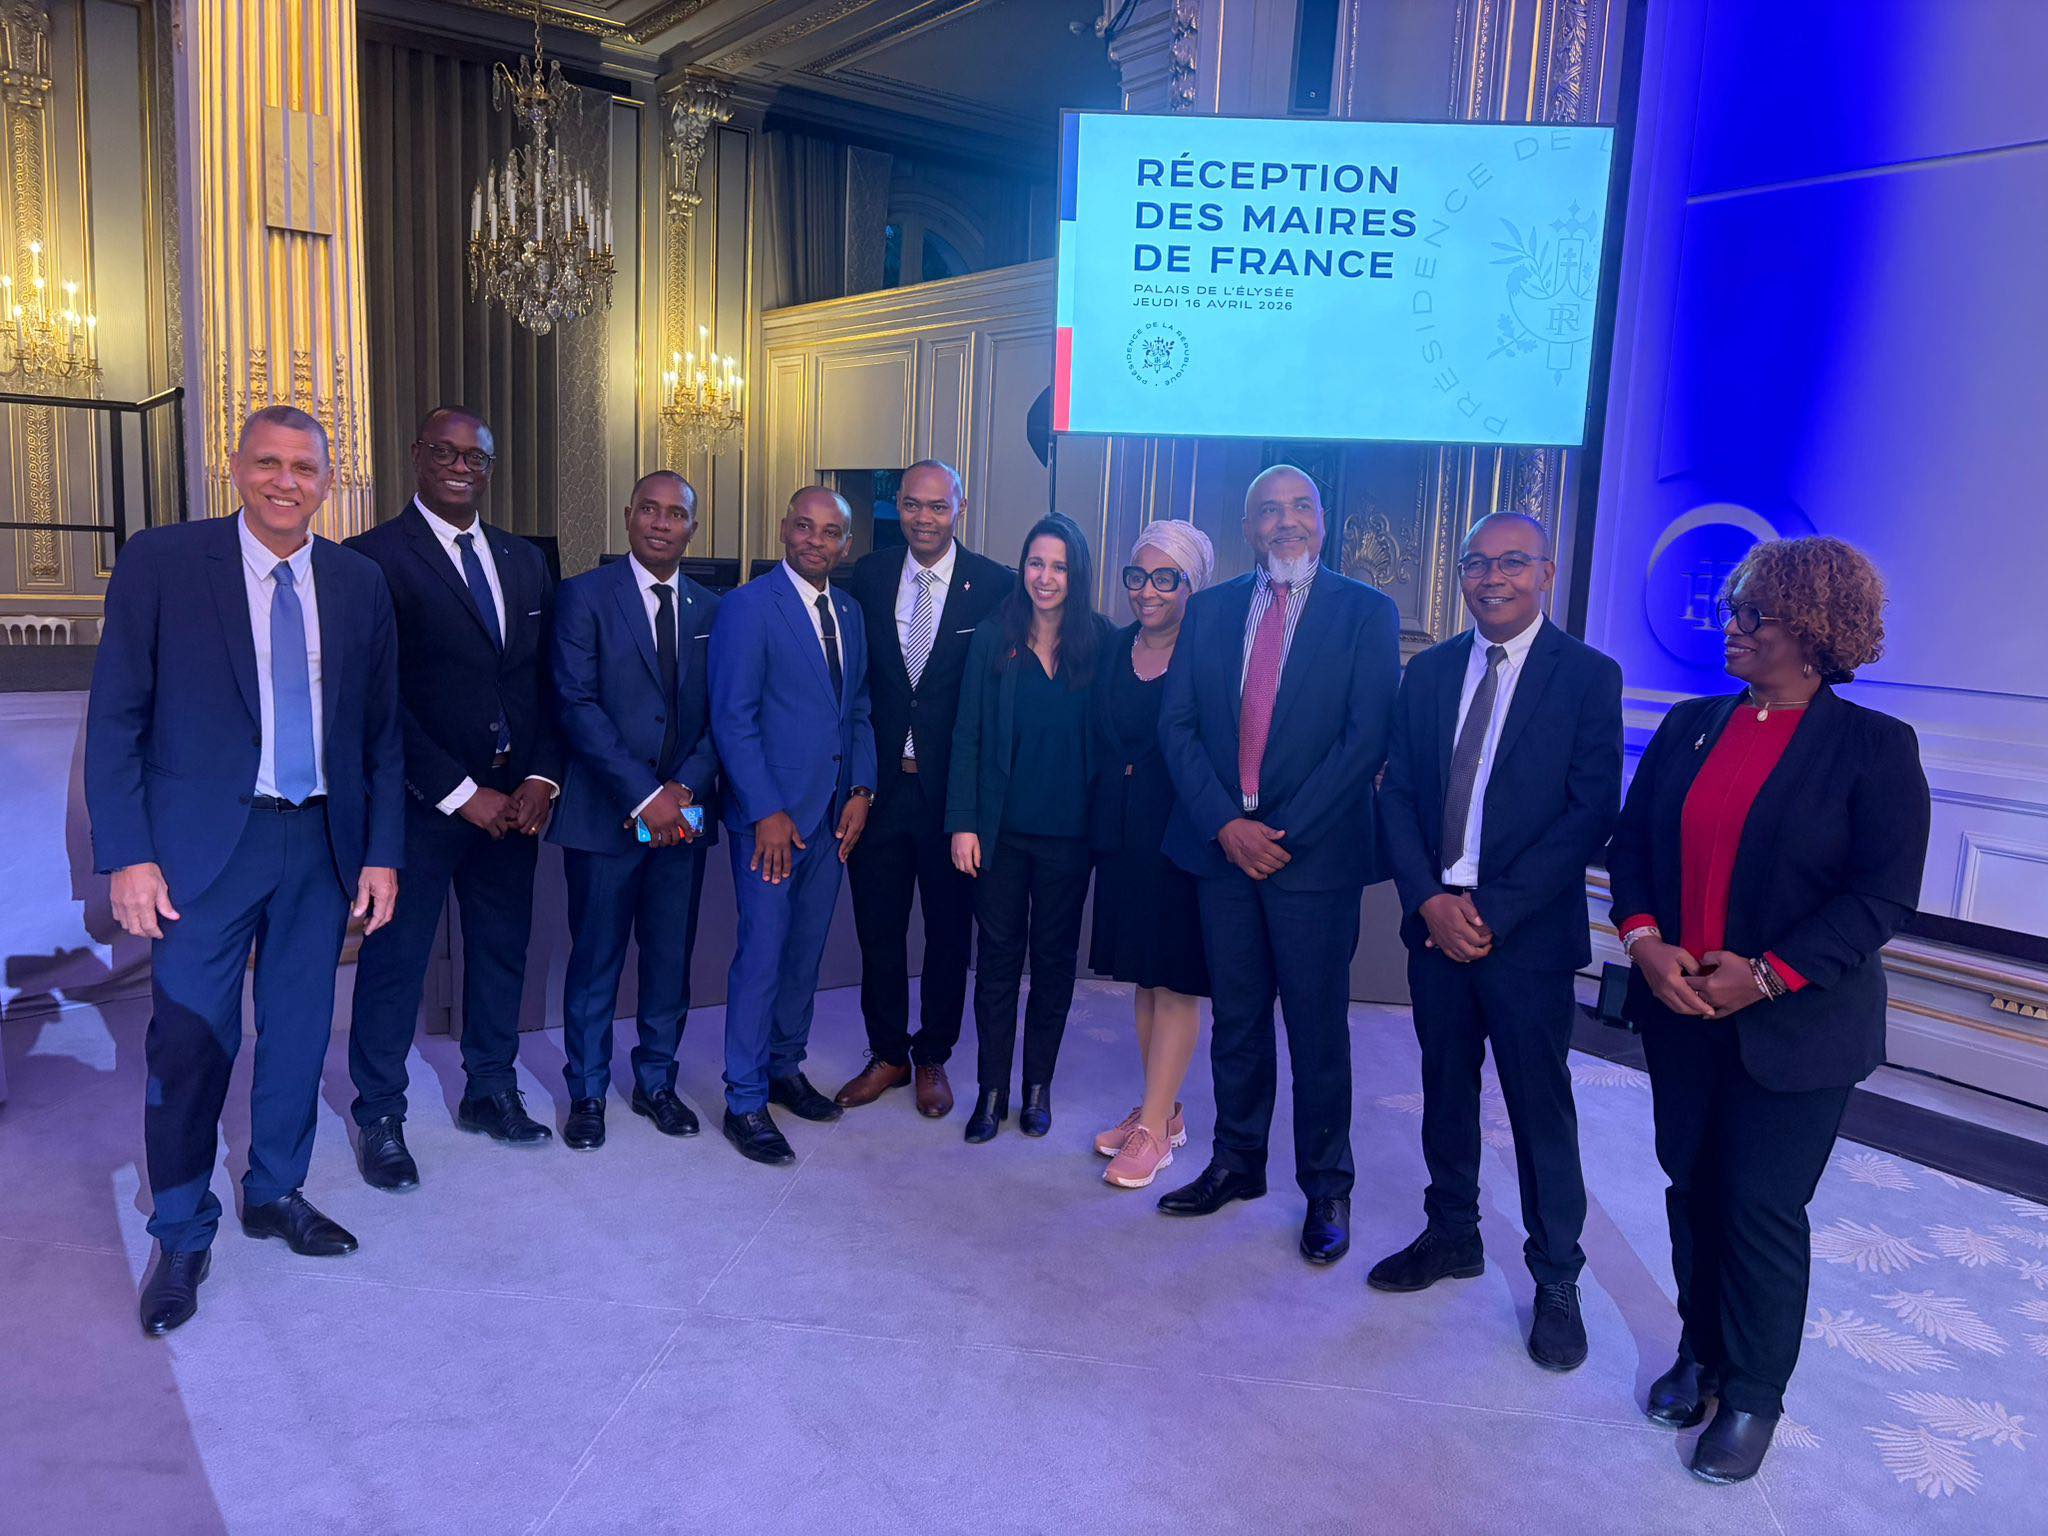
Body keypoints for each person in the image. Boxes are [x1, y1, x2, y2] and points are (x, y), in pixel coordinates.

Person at [1608, 536, 1928, 1484]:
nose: (1731, 627)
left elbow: (1880, 898)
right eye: (1732, 609)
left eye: (1752, 613)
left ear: (1813, 627)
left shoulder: (1874, 747)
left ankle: (1753, 1394)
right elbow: (1633, 848)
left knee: (1760, 1207)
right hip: (1679, 1010)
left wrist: (1768, 974)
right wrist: (1644, 942)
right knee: (1691, 1188)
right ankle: (1700, 1352)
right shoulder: (1690, 725)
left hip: (1796, 1028)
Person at [86, 406, 403, 1335]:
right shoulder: (163, 562)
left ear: (328, 481)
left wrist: (382, 852)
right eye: (268, 462)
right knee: (189, 1044)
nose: (285, 482)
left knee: (300, 1034)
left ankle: (274, 1191)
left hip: (321, 843)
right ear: (235, 467)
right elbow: (116, 717)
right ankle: (182, 1230)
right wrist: (128, 855)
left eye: (304, 467)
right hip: (199, 851)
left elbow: (381, 733)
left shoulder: (359, 582)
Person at [1372, 511, 1623, 1369]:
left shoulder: (1587, 676)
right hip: (1434, 926)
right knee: (1444, 1087)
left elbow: (1590, 810)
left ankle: (1556, 1277)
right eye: (1477, 563)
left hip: (1526, 934)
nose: (1492, 577)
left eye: (1513, 562)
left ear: (1546, 572)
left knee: (1537, 1108)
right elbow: (1397, 794)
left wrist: (1493, 912)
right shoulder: (1431, 670)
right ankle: (1452, 1235)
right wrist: (1428, 900)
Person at [1154, 464, 1400, 1265]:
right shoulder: (1211, 610)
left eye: (1299, 507)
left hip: (1314, 858)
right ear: (1248, 527)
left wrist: (1280, 833)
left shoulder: (1367, 613)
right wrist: (1227, 825)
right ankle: (1237, 1162)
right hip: (1223, 852)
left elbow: (1365, 739)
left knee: (1318, 1030)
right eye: (1268, 510)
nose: (1285, 521)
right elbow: (1177, 727)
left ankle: (1327, 1186)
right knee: (1237, 1019)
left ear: (1322, 520)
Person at [344, 407, 565, 1184]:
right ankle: (380, 1115)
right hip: (417, 803)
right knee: (396, 960)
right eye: (445, 451)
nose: (461, 465)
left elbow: (543, 680)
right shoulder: (370, 559)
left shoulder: (525, 559)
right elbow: (375, 700)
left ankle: (490, 1090)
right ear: (417, 455)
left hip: (514, 804)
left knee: (501, 950)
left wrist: (540, 776)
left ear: (490, 466)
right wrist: (458, 790)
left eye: (476, 455)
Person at [548, 471, 721, 1151]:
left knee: (669, 960)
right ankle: (588, 1091)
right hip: (606, 814)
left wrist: (683, 791)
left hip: (685, 818)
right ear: (628, 516)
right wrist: (648, 796)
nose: (661, 523)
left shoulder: (714, 609)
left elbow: (725, 713)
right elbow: (575, 704)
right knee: (596, 961)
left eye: (675, 514)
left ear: (692, 528)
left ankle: (657, 1083)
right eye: (649, 509)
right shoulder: (583, 596)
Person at [836, 460, 1012, 1119]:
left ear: (960, 508)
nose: (924, 518)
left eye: (938, 506)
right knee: (878, 931)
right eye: (912, 504)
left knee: (948, 935)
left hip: (951, 799)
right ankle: (888, 1054)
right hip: (880, 792)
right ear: (898, 507)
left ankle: (933, 1054)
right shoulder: (870, 574)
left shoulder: (994, 584)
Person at [708, 487, 876, 1165]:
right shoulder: (748, 607)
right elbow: (733, 717)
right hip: (771, 824)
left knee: (804, 954)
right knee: (762, 957)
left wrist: (861, 788)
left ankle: (784, 1067)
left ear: (846, 544)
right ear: (784, 529)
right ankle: (744, 1099)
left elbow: (857, 708)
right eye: (804, 527)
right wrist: (764, 811)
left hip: (831, 819)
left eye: (830, 532)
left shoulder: (851, 613)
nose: (815, 540)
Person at [947, 513, 1109, 1143]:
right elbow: (967, 733)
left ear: (1077, 574)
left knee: (1054, 965)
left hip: (1070, 838)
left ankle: (1038, 1086)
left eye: (1060, 566)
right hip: (1001, 835)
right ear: (1022, 568)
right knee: (996, 964)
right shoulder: (995, 636)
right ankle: (991, 1091)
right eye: (1036, 563)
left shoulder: (1101, 641)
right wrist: (963, 823)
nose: (1046, 577)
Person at [1090, 520, 1216, 1189]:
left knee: (1175, 983)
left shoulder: (1208, 655)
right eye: (1138, 575)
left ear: (1193, 584)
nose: (1147, 590)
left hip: (1183, 840)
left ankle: (1157, 1132)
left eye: (1166, 578)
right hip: (1123, 838)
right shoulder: (1115, 648)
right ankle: (1159, 1110)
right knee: (1143, 980)